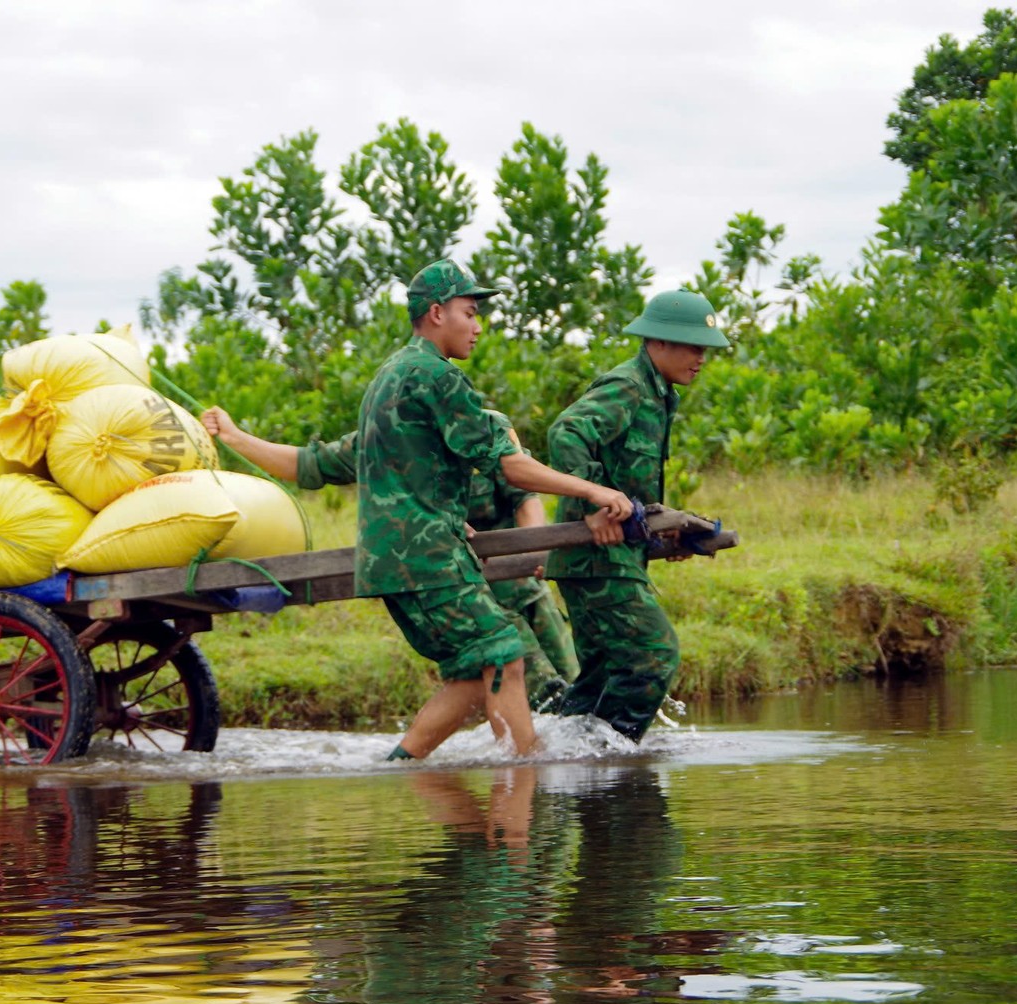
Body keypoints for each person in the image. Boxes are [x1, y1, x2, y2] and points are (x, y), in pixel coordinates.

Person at [346, 258, 632, 761]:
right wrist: (593, 491)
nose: (478, 327)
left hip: (397, 555)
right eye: (470, 313)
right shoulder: (436, 377)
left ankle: (401, 769)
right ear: (437, 313)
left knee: (473, 670)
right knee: (504, 651)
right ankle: (521, 774)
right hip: (426, 554)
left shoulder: (391, 373)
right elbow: (511, 468)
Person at [201, 413, 580, 705]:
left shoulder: (480, 426)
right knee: (541, 692)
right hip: (465, 593)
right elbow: (307, 464)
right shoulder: (383, 439)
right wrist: (235, 437)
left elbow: (524, 495)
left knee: (574, 685)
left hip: (522, 587)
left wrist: (529, 554)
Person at [544, 289, 728, 740]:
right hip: (595, 556)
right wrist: (598, 499)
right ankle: (610, 757)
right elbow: (565, 432)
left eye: (705, 349)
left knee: (604, 673)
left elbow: (633, 486)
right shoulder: (628, 386)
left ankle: (560, 760)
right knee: (654, 654)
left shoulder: (661, 394)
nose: (701, 358)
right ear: (657, 343)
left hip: (612, 557)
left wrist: (663, 538)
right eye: (692, 347)